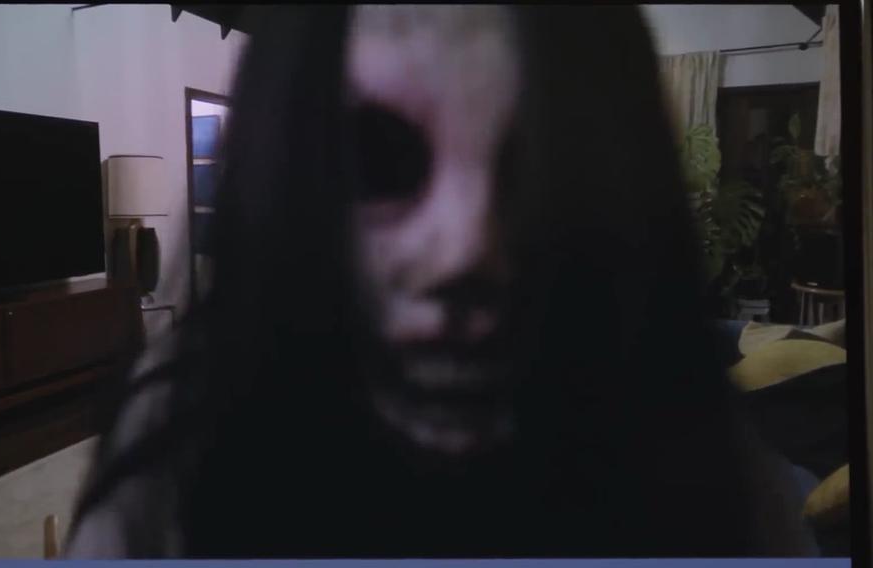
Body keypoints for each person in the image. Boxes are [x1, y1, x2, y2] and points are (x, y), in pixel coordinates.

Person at [67, 5, 817, 558]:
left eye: (542, 170)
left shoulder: (715, 475)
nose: (462, 249)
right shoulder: (179, 435)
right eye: (376, 159)